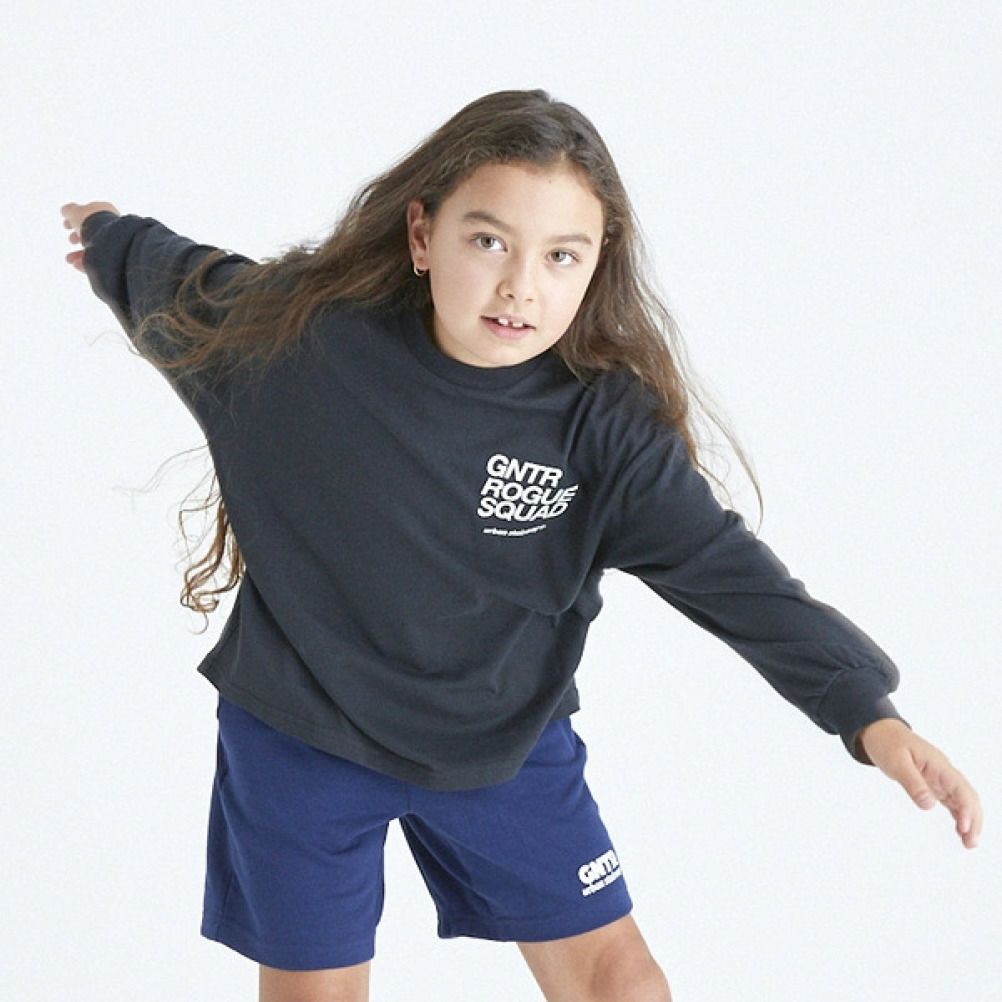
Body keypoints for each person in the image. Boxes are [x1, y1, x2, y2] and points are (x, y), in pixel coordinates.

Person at [61, 88, 982, 1002]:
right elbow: (175, 279)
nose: (520, 286)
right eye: (489, 241)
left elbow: (731, 577)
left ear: (596, 265)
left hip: (502, 740)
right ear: (423, 235)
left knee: (622, 984)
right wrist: (106, 234)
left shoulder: (603, 430)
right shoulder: (300, 344)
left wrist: (869, 715)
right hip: (303, 735)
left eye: (560, 255)